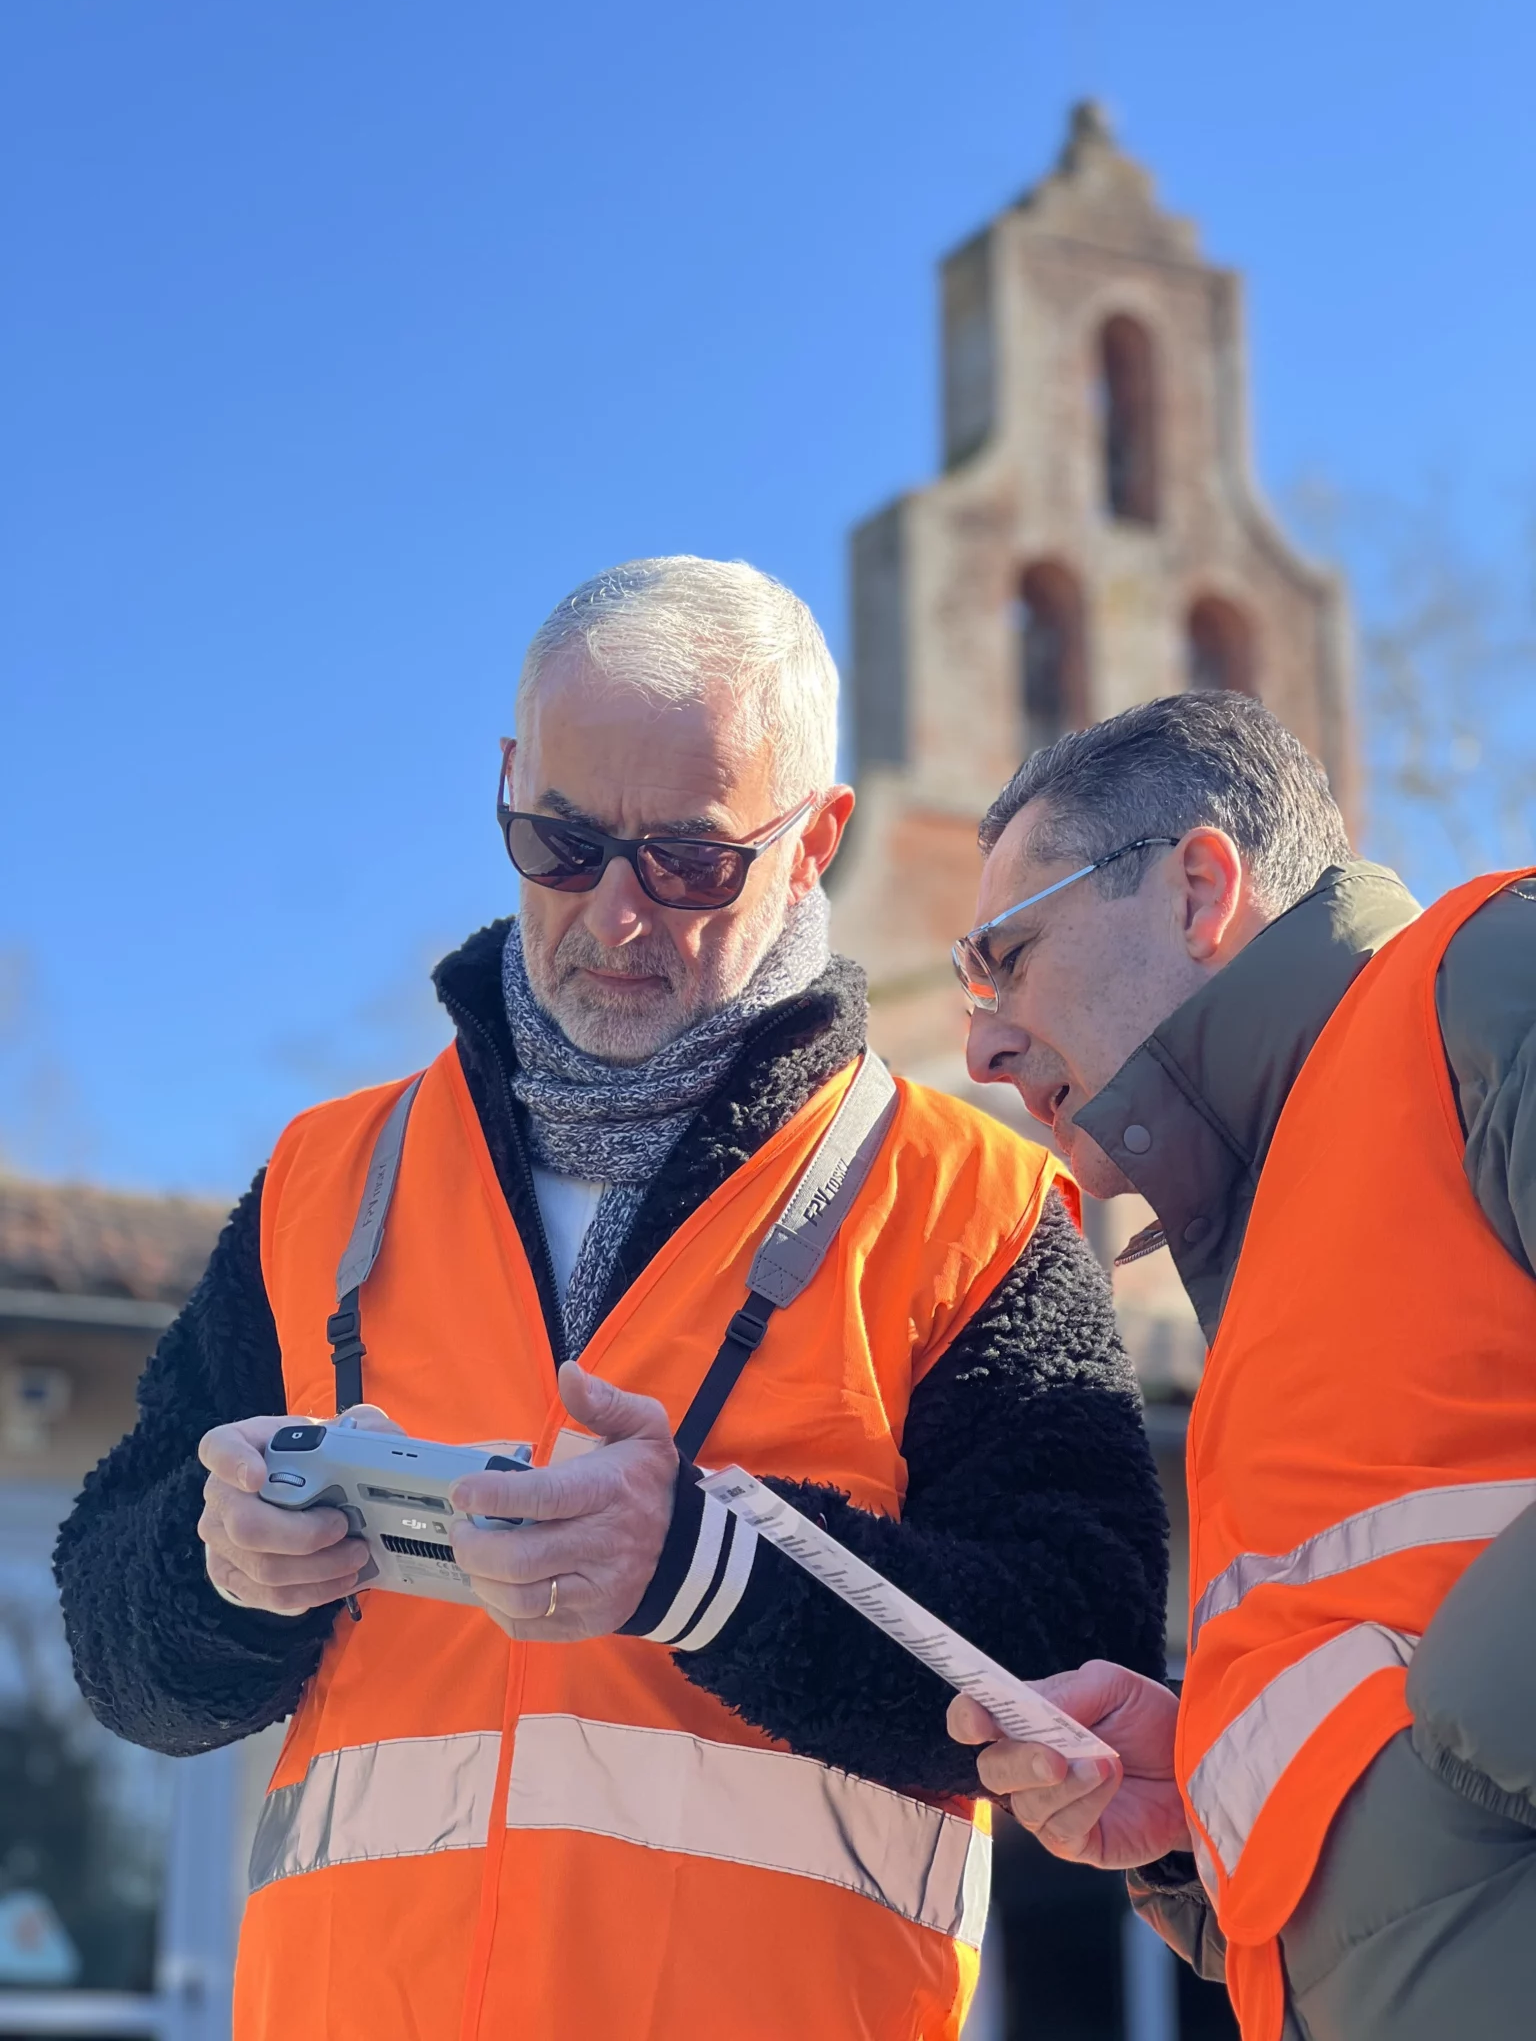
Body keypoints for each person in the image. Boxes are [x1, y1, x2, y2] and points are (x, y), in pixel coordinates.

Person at [56, 557, 1168, 2041]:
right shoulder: (329, 1177)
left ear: (816, 838)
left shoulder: (977, 1208)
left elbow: (1074, 1664)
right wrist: (219, 1578)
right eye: (559, 842)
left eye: (690, 860)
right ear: (507, 787)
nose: (617, 916)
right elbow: (115, 1648)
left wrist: (714, 1575)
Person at [944, 689, 1536, 2041]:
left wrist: (1436, 1766)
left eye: (1009, 956)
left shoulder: (1489, 982)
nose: (979, 1045)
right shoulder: (1274, 1262)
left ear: (1200, 887)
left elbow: (1450, 1763)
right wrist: (1207, 1789)